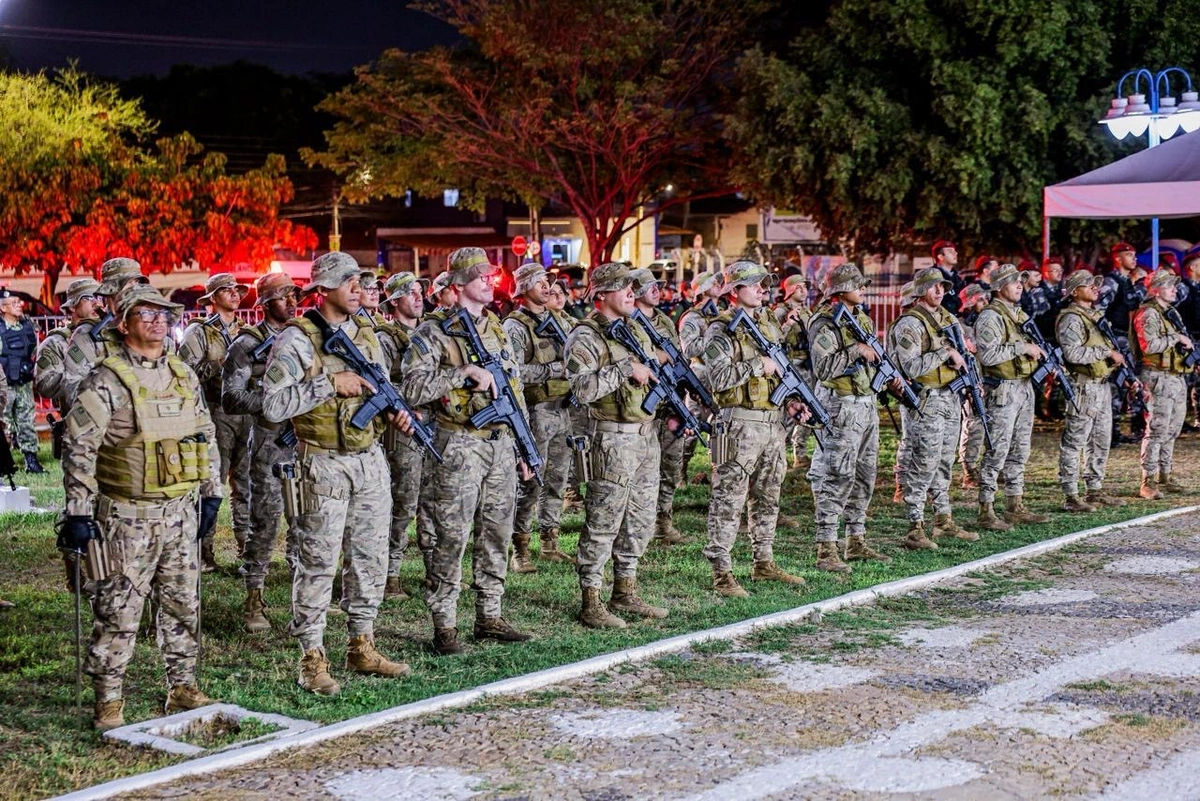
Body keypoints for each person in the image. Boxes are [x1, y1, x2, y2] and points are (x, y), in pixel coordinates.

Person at [59, 284, 223, 730]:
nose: (157, 321)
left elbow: (202, 432)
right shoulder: (106, 378)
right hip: (128, 516)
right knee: (118, 608)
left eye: (164, 314)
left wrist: (211, 490)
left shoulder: (182, 374)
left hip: (180, 509)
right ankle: (109, 698)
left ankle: (183, 684)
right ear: (124, 322)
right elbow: (79, 448)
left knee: (183, 604)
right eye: (145, 314)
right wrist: (77, 513)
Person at [262, 252, 412, 695]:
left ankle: (362, 644)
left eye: (359, 281)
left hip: (368, 461)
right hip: (320, 462)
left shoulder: (367, 332)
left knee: (370, 556)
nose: (357, 287)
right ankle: (311, 656)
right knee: (317, 561)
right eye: (347, 281)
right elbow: (272, 406)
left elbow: (379, 389)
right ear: (323, 288)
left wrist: (395, 413)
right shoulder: (297, 339)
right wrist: (329, 383)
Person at [399, 247, 533, 655]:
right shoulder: (432, 331)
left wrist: (525, 445)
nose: (488, 282)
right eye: (479, 277)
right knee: (452, 535)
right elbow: (410, 389)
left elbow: (513, 389)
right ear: (457, 286)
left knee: (497, 532)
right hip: (458, 442)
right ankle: (445, 624)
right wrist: (462, 373)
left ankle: (489, 614)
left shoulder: (496, 327)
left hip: (501, 444)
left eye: (490, 276)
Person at [563, 262, 668, 627]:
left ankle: (625, 590)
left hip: (644, 436)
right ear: (601, 294)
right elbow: (581, 389)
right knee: (604, 518)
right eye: (622, 287)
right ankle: (591, 599)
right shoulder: (585, 336)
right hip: (611, 438)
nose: (630, 292)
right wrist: (624, 369)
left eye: (631, 286)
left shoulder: (633, 329)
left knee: (640, 518)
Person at [700, 261, 806, 596]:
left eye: (764, 284)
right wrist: (759, 364)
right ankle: (722, 573)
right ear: (734, 292)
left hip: (771, 422)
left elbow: (776, 373)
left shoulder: (768, 324)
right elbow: (718, 379)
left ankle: (763, 561)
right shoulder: (720, 329)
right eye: (755, 284)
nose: (763, 289)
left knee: (768, 496)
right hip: (735, 423)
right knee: (728, 497)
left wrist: (790, 401)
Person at [220, 272, 300, 632]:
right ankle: (254, 597)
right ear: (266, 303)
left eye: (293, 294)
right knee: (265, 522)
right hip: (269, 441)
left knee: (304, 522)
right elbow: (231, 397)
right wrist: (274, 403)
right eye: (284, 296)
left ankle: (305, 598)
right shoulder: (246, 345)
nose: (292, 301)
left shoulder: (302, 338)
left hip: (302, 441)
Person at [807, 263, 893, 572]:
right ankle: (826, 548)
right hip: (840, 404)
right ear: (840, 289)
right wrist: (855, 351)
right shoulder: (825, 324)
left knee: (864, 475)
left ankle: (856, 539)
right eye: (857, 284)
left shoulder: (862, 319)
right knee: (837, 475)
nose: (864, 288)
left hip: (865, 404)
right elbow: (823, 369)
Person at [890, 268, 979, 547]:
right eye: (932, 287)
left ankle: (943, 520)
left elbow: (967, 344)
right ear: (920, 291)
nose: (939, 291)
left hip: (949, 395)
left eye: (941, 286)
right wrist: (945, 353)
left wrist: (964, 349)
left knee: (943, 461)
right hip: (926, 399)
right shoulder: (910, 324)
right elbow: (910, 367)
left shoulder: (945, 318)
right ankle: (914, 527)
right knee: (924, 462)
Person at [503, 263, 575, 571]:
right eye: (539, 282)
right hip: (535, 413)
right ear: (523, 288)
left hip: (562, 408)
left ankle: (550, 542)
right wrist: (552, 369)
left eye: (548, 282)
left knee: (558, 478)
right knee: (530, 483)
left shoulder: (559, 320)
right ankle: (520, 549)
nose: (547, 287)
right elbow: (512, 372)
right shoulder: (515, 327)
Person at [178, 273, 252, 571]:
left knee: (245, 484)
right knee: (213, 485)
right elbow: (184, 373)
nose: (235, 294)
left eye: (237, 290)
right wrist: (218, 364)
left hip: (244, 412)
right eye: (227, 290)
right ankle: (204, 552)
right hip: (216, 412)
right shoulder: (200, 333)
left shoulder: (246, 330)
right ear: (212, 298)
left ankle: (246, 548)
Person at [974, 263, 1051, 530]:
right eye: (1013, 281)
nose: (1020, 285)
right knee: (997, 449)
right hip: (1003, 389)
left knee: (1020, 449)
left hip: (1023, 386)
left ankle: (1014, 504)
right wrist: (1022, 347)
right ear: (998, 287)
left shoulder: (1017, 314)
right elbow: (989, 355)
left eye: (1021, 280)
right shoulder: (990, 317)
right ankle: (986, 509)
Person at [374, 271, 430, 601]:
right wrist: (410, 397)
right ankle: (391, 572)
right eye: (411, 292)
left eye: (420, 291)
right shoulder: (386, 337)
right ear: (394, 300)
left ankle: (432, 568)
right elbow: (380, 383)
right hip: (405, 428)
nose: (419, 296)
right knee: (403, 502)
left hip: (431, 424)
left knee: (432, 503)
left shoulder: (426, 333)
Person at [1055, 269, 1125, 511]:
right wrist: (1106, 353)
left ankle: (1094, 489)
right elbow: (1072, 353)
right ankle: (1071, 495)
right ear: (1075, 291)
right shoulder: (1071, 319)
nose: (1095, 288)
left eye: (1096, 284)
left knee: (1100, 440)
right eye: (1088, 285)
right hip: (1083, 386)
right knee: (1075, 441)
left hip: (1101, 385)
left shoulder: (1093, 316)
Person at [627, 268, 688, 546]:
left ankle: (663, 521)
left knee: (670, 465)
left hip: (667, 403)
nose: (656, 289)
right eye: (649, 285)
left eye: (658, 285)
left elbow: (676, 362)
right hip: (638, 407)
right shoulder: (626, 320)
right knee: (639, 472)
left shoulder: (664, 320)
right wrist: (655, 356)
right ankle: (636, 525)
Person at [1131, 269, 1194, 498]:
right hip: (1158, 376)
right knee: (1157, 428)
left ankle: (1164, 476)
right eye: (1169, 286)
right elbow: (1149, 346)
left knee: (1173, 428)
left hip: (1175, 376)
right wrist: (1176, 338)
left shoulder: (1169, 313)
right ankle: (1147, 480)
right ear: (1156, 289)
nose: (1175, 289)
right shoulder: (1148, 314)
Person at [0, 289, 43, 473]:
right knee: (4, 424)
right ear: (3, 308)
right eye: (14, 302)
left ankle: (31, 461)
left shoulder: (27, 326)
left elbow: (34, 352)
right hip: (4, 385)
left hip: (24, 384)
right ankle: (4, 464)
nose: (19, 305)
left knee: (27, 422)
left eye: (19, 302)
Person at [775, 274, 815, 470]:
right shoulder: (780, 311)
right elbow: (773, 340)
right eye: (798, 287)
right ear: (789, 290)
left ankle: (800, 454)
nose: (803, 290)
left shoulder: (807, 311)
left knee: (807, 410)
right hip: (791, 367)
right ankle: (780, 453)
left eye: (804, 286)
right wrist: (787, 324)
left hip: (807, 366)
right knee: (789, 412)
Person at [956, 282, 991, 488]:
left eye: (986, 299)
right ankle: (969, 469)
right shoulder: (962, 326)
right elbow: (975, 347)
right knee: (973, 424)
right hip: (971, 381)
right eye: (980, 300)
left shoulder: (987, 322)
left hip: (989, 380)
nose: (985, 303)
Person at [931, 240, 965, 314]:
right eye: (950, 252)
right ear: (940, 257)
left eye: (955, 251)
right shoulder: (932, 277)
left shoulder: (957, 277)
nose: (955, 253)